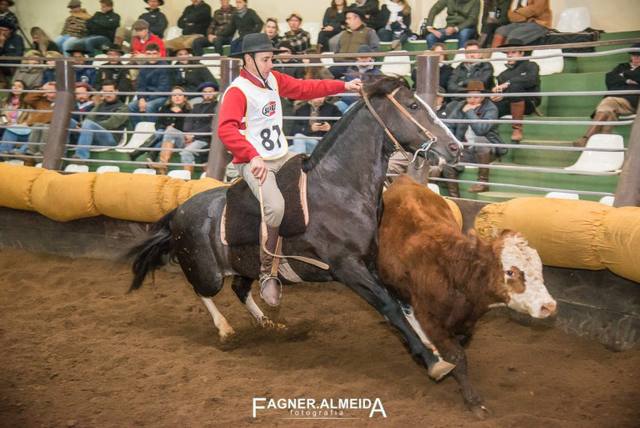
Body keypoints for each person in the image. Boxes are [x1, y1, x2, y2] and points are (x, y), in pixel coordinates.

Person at [217, 33, 362, 306]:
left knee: (318, 175)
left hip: (282, 154)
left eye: (271, 59)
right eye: (266, 59)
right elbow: (226, 129)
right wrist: (252, 156)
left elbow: (305, 88)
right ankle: (267, 272)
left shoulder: (272, 79)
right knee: (275, 207)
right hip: (253, 161)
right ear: (248, 60)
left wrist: (344, 85)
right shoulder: (237, 91)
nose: (271, 64)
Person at [573, 44, 640, 147]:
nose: (636, 58)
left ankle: (586, 138)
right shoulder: (622, 66)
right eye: (634, 55)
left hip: (632, 100)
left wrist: (623, 75)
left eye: (639, 55)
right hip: (615, 98)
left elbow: (636, 75)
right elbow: (609, 78)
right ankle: (602, 146)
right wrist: (628, 80)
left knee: (608, 102)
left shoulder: (623, 70)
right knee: (608, 112)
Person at [444, 80, 505, 194]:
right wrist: (453, 142)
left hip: (486, 152)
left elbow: (481, 130)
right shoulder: (460, 106)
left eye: (476, 97)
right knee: (448, 162)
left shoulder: (490, 108)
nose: (472, 100)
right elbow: (449, 126)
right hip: (465, 149)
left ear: (483, 97)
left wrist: (470, 112)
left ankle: (483, 182)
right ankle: (455, 198)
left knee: (480, 141)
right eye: (469, 97)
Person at [490, 39, 540, 143]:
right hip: (508, 102)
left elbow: (531, 81)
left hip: (529, 102)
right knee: (490, 104)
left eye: (513, 52)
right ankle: (490, 137)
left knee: (515, 87)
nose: (509, 55)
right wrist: (497, 95)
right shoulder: (503, 74)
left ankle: (517, 129)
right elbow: (502, 93)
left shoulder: (531, 65)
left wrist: (508, 83)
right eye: (508, 53)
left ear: (522, 53)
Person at [73, 81, 129, 159]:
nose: (108, 94)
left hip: (110, 138)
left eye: (111, 91)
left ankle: (81, 157)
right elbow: (89, 117)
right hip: (94, 134)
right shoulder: (100, 106)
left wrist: (89, 126)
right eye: (105, 92)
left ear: (116, 91)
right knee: (70, 122)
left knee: (88, 124)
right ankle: (60, 154)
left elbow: (110, 124)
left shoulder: (123, 108)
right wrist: (80, 125)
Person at [147, 86, 192, 174]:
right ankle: (162, 167)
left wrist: (178, 114)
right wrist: (167, 127)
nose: (177, 97)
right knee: (166, 133)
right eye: (174, 95)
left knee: (169, 131)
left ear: (185, 98)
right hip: (168, 139)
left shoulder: (189, 111)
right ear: (171, 98)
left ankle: (157, 159)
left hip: (182, 140)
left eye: (180, 95)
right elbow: (158, 124)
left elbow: (187, 128)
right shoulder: (165, 109)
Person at [331, 6, 380, 79]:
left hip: (356, 65)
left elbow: (375, 49)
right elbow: (337, 50)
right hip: (340, 64)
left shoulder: (369, 32)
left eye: (349, 18)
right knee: (323, 74)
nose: (346, 21)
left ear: (357, 18)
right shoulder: (343, 33)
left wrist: (362, 60)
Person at [180, 81, 219, 173]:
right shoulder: (196, 106)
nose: (208, 94)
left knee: (186, 152)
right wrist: (187, 133)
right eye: (205, 92)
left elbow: (212, 126)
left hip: (203, 138)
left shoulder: (218, 106)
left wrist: (194, 135)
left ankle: (188, 177)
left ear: (216, 93)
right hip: (190, 136)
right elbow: (188, 120)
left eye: (210, 92)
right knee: (170, 132)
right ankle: (162, 164)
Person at [128, 43, 171, 124]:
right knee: (131, 106)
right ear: (145, 55)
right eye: (149, 54)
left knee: (149, 106)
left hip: (162, 96)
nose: (151, 56)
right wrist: (141, 98)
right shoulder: (143, 68)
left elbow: (163, 89)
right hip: (147, 97)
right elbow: (140, 86)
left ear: (159, 54)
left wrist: (146, 100)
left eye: (154, 53)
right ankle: (138, 130)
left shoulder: (165, 67)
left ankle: (152, 131)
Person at [335, 44, 382, 113]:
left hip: (364, 103)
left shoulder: (377, 73)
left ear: (370, 57)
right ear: (357, 57)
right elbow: (345, 86)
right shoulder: (350, 69)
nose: (364, 60)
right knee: (335, 107)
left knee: (348, 112)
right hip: (346, 101)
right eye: (361, 57)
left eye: (366, 57)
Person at [0, 80, 30, 155]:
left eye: (19, 86)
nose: (15, 87)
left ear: (24, 89)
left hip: (22, 128)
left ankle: (3, 153)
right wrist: (5, 122)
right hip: (7, 125)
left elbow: (29, 119)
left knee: (9, 130)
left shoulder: (28, 103)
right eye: (14, 85)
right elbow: (2, 116)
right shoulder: (5, 101)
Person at [0, 17, 23, 86]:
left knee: (14, 64)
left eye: (4, 30)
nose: (2, 32)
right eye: (0, 29)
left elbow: (18, 54)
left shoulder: (17, 38)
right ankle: (4, 83)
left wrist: (5, 56)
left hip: (13, 63)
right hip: (2, 62)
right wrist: (1, 43)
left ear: (10, 30)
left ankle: (14, 83)